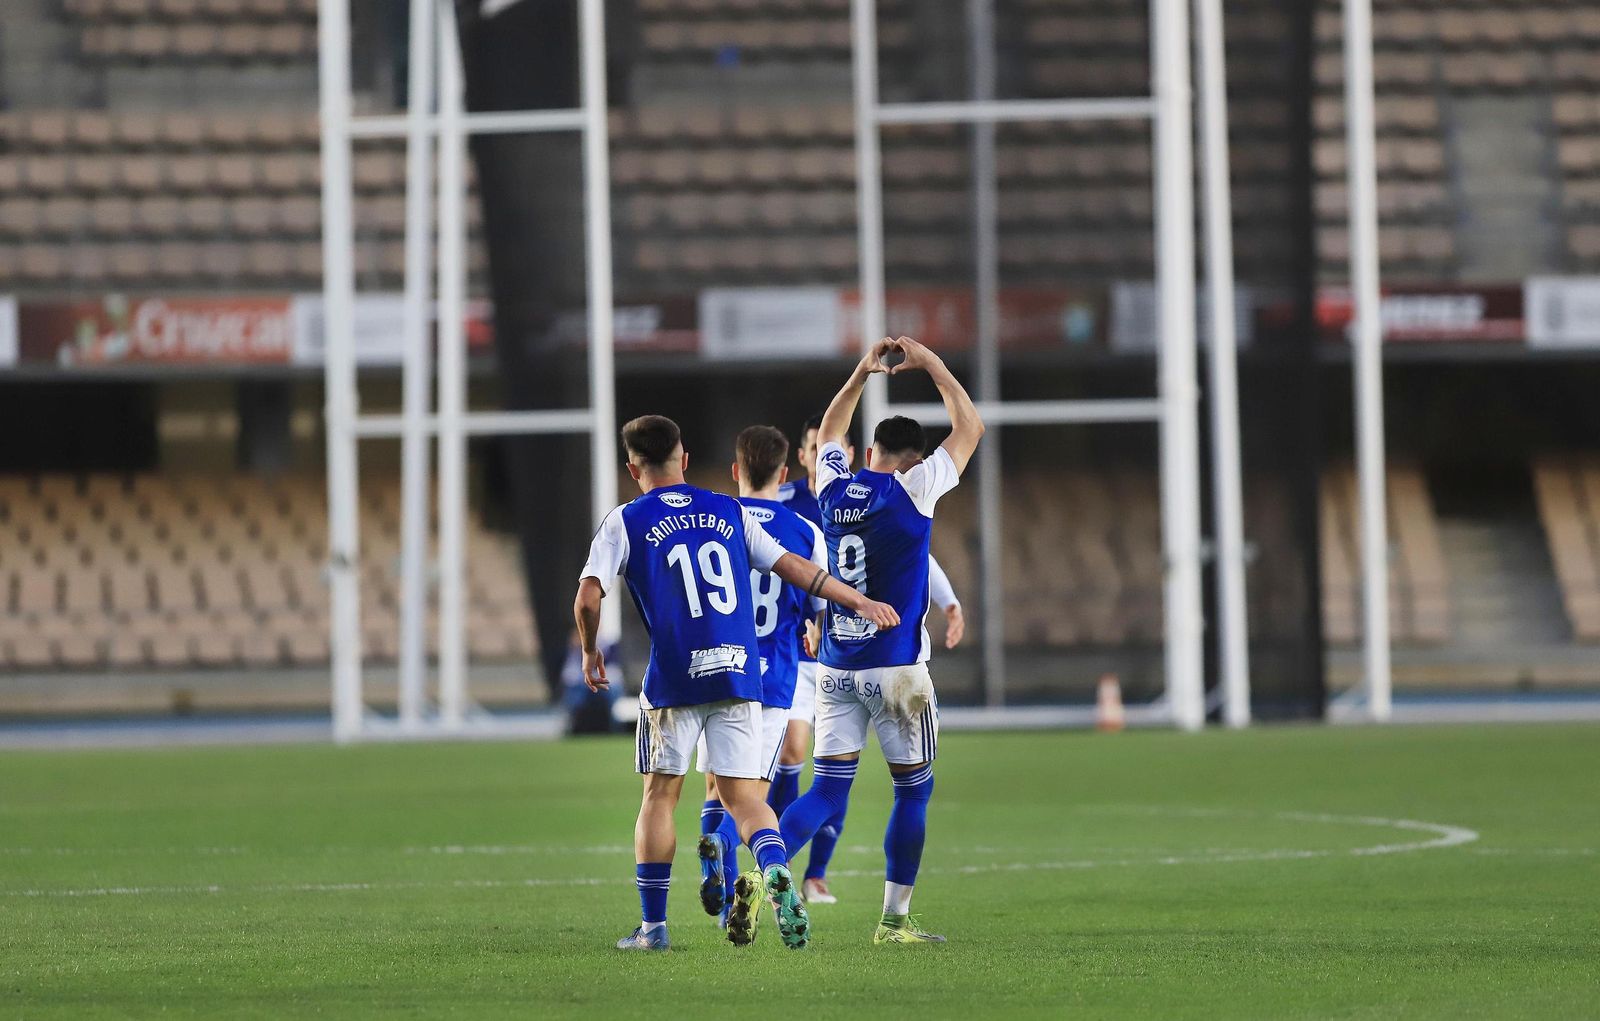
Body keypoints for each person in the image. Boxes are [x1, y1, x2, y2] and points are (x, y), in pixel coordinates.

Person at [574, 415, 899, 951]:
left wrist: (589, 650)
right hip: (741, 672)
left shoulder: (625, 520)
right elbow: (792, 566)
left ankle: (653, 930)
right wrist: (856, 599)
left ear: (633, 469)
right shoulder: (727, 509)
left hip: (676, 678)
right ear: (684, 458)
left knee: (659, 796)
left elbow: (588, 598)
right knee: (746, 800)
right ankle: (774, 871)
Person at [777, 337, 984, 945]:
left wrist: (863, 372)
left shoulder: (834, 487)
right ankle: (893, 922)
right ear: (916, 459)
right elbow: (969, 426)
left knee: (825, 791)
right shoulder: (915, 489)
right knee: (913, 791)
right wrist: (932, 364)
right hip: (896, 670)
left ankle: (764, 872)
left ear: (868, 452)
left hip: (837, 667)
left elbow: (832, 429)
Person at [694, 426, 829, 939]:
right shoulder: (802, 530)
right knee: (752, 796)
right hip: (773, 679)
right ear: (785, 473)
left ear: (735, 470)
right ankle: (735, 854)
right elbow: (819, 610)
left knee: (716, 787)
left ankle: (726, 889)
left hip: (717, 669)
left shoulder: (714, 524)